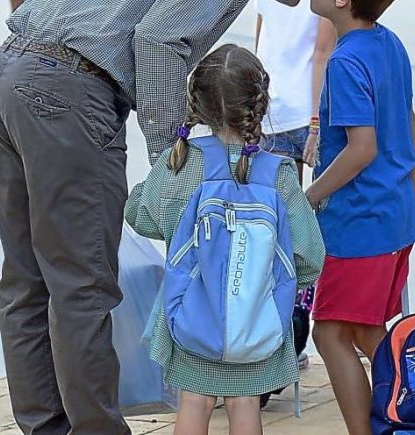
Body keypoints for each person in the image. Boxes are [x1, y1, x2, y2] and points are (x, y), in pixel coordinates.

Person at [0, 0, 326, 435]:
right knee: (82, 285)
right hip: (67, 91)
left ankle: (46, 426)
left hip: (7, 75)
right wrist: (175, 161)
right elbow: (160, 41)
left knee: (27, 278)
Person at [124, 43, 326, 435]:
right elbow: (309, 255)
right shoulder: (279, 174)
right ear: (260, 104)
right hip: (257, 317)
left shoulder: (180, 162)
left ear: (196, 105)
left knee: (194, 401)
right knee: (246, 403)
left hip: (189, 311)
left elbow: (141, 217)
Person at [302, 0, 415, 435]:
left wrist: (310, 196)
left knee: (329, 335)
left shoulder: (344, 61)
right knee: (367, 333)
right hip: (393, 220)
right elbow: (406, 120)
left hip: (357, 223)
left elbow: (361, 149)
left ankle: (397, 418)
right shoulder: (389, 44)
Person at [253, 0, 345, 399]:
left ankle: (262, 341)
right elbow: (322, 55)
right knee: (296, 232)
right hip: (296, 115)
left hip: (264, 110)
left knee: (263, 226)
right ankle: (288, 342)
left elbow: (261, 39)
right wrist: (317, 123)